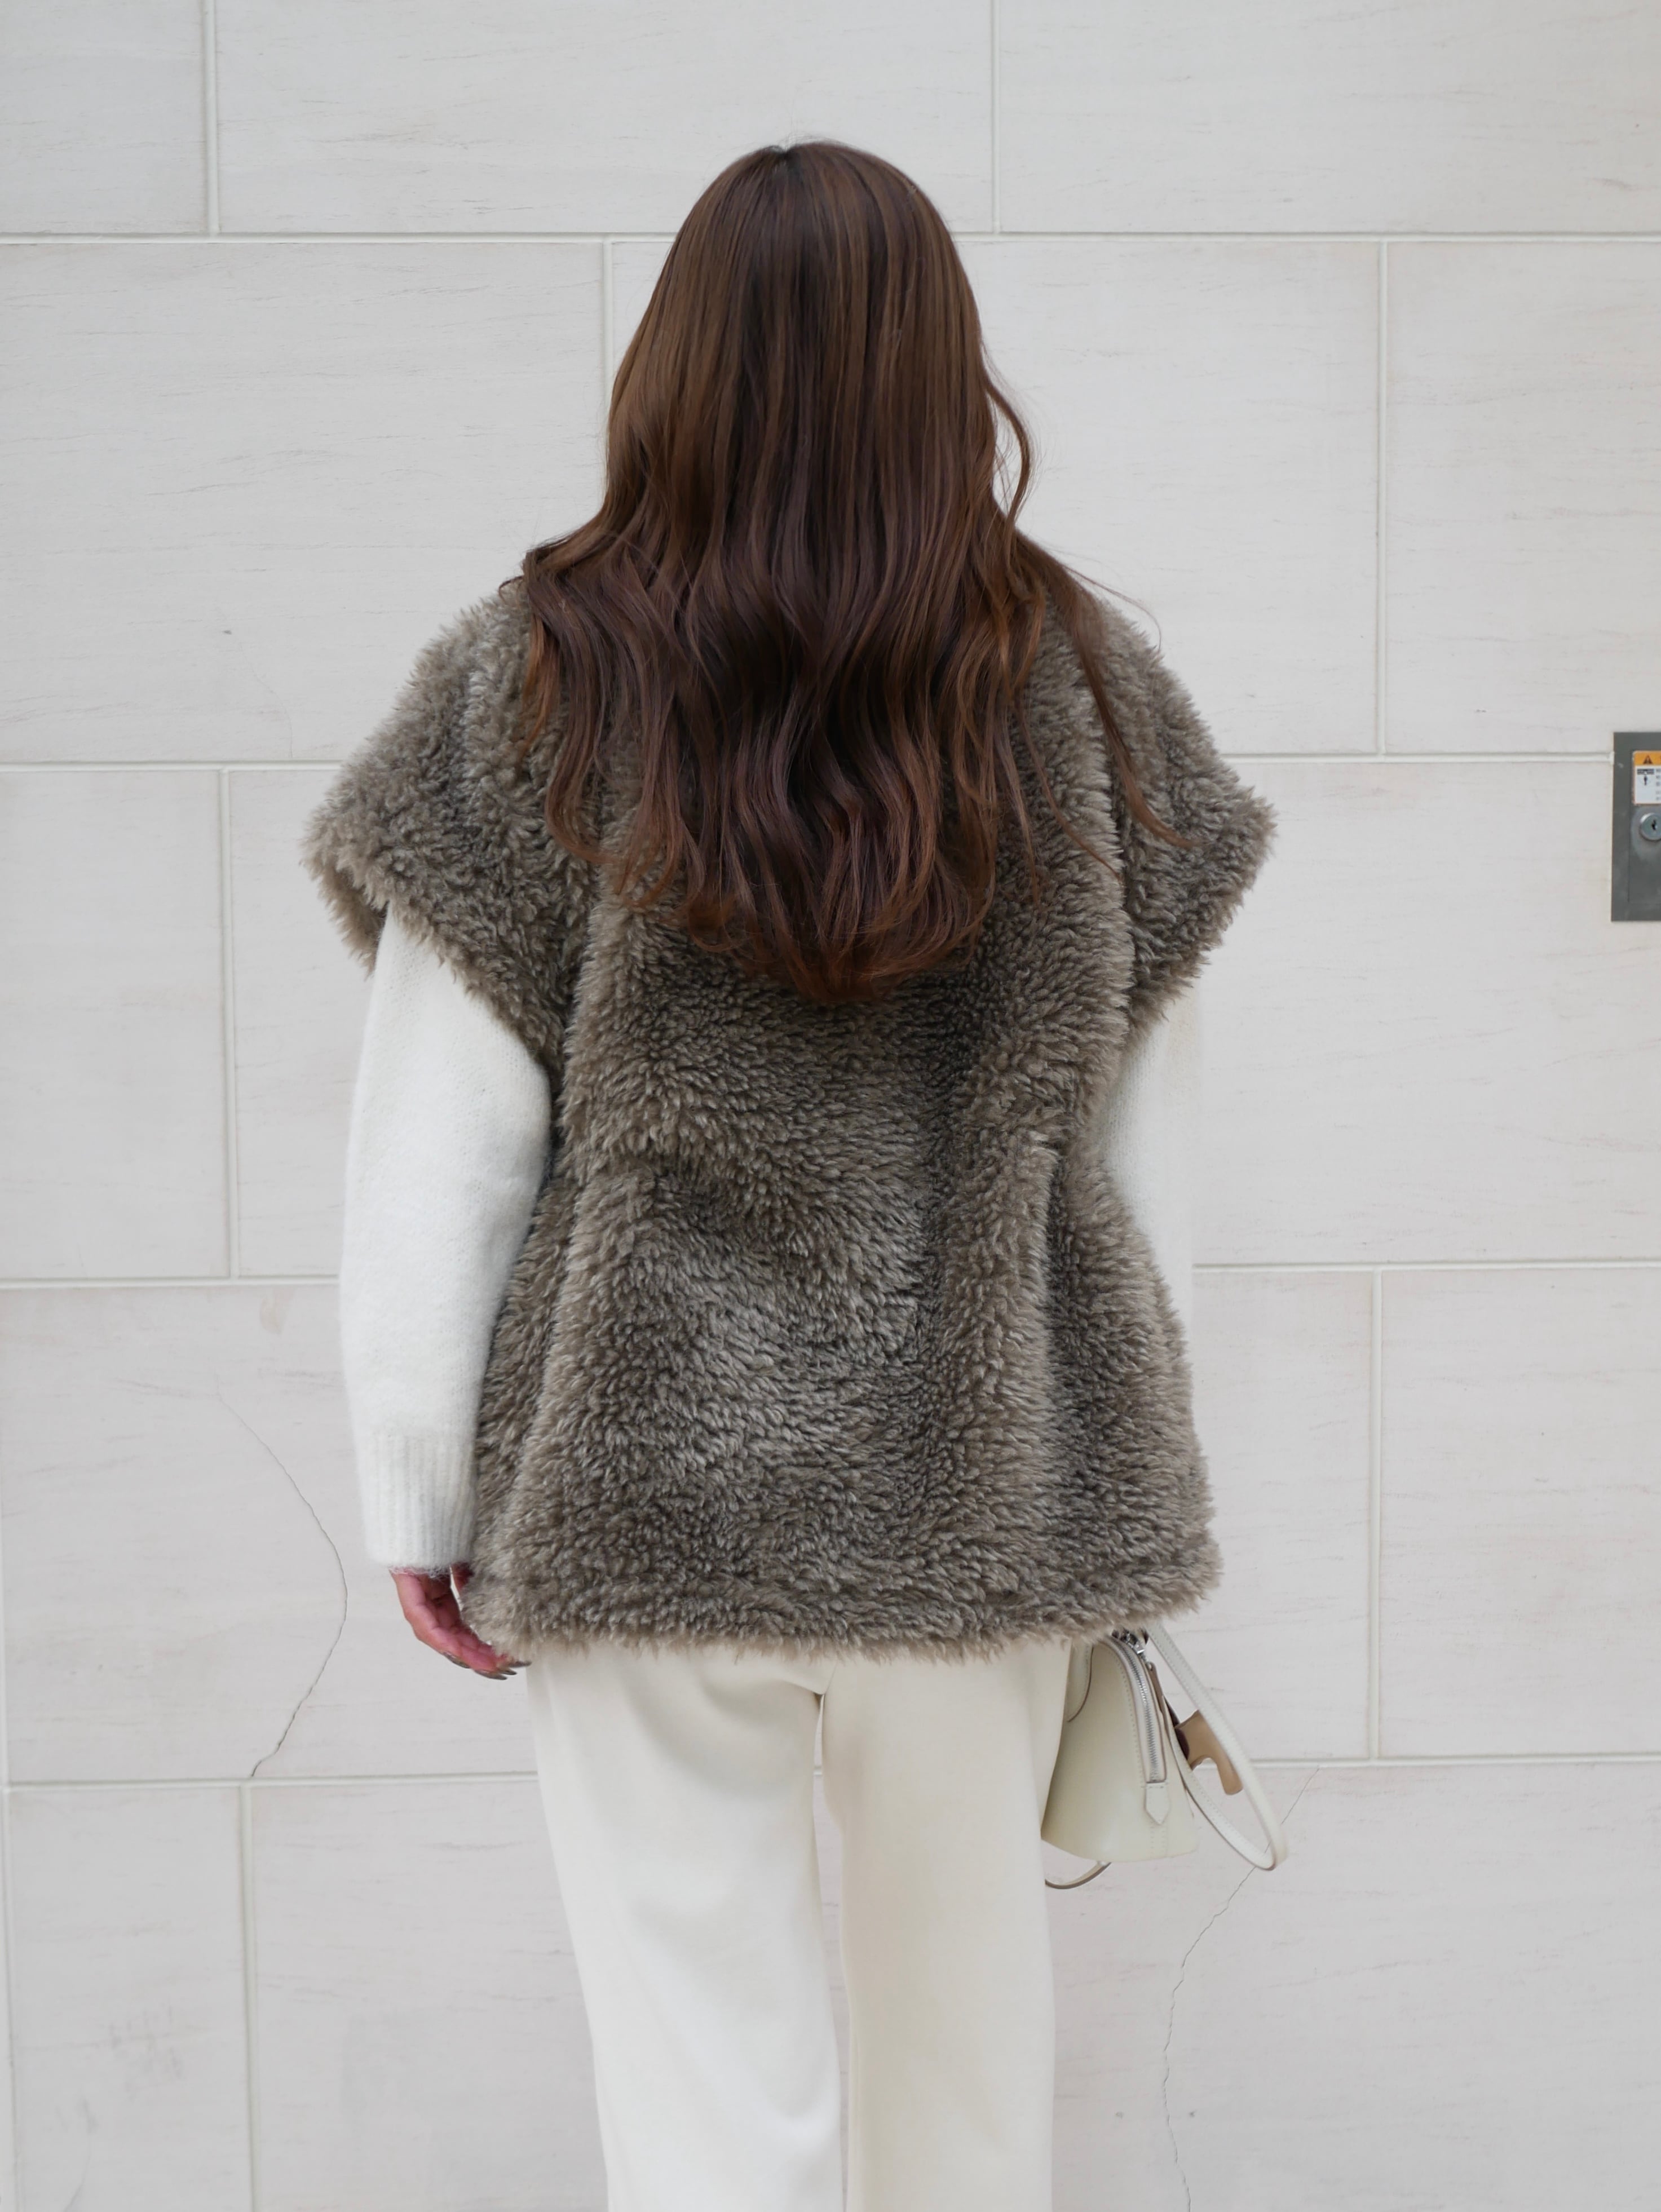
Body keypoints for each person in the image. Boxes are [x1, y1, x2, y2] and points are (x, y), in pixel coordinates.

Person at [305, 139, 1274, 2212]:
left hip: (637, 1478)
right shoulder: (1082, 687)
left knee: (699, 2089)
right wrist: (1111, 1462)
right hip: (975, 1482)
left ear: (675, 363)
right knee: (965, 2073)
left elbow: (439, 1135)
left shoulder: (535, 672)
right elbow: (1139, 1158)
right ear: (941, 369)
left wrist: (419, 1486)